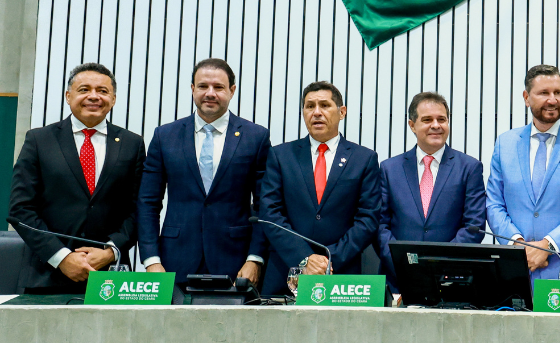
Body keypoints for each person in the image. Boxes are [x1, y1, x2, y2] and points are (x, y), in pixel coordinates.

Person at [8, 63, 145, 292]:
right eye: (84, 90)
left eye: (102, 91)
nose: (94, 96)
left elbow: (139, 209)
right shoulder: (39, 140)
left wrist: (110, 251)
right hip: (47, 275)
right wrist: (62, 257)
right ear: (68, 96)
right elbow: (20, 210)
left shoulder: (132, 144)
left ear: (113, 99)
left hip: (110, 278)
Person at [136, 58, 271, 286]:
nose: (210, 93)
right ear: (192, 89)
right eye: (203, 86)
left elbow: (264, 204)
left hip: (237, 262)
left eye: (218, 87)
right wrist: (151, 260)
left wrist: (255, 258)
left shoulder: (255, 137)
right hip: (173, 261)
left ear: (232, 91)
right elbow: (148, 202)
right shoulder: (164, 136)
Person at [259, 81, 381, 296]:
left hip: (341, 276)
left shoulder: (364, 159)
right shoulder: (281, 156)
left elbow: (368, 219)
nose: (316, 112)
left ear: (342, 112)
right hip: (286, 272)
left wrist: (328, 259)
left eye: (325, 105)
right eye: (309, 106)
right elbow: (270, 214)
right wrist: (304, 259)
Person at [486, 65, 560, 280]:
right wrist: (516, 244)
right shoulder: (505, 143)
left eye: (558, 93)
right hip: (518, 266)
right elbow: (494, 203)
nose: (553, 100)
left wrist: (547, 245)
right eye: (544, 93)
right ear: (526, 97)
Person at [377, 92, 486, 293]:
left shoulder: (469, 168)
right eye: (427, 120)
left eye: (441, 119)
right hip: (397, 280)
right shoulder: (389, 169)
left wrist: (439, 266)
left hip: (452, 282)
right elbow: (380, 225)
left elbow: (474, 225)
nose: (436, 125)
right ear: (412, 125)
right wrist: (403, 262)